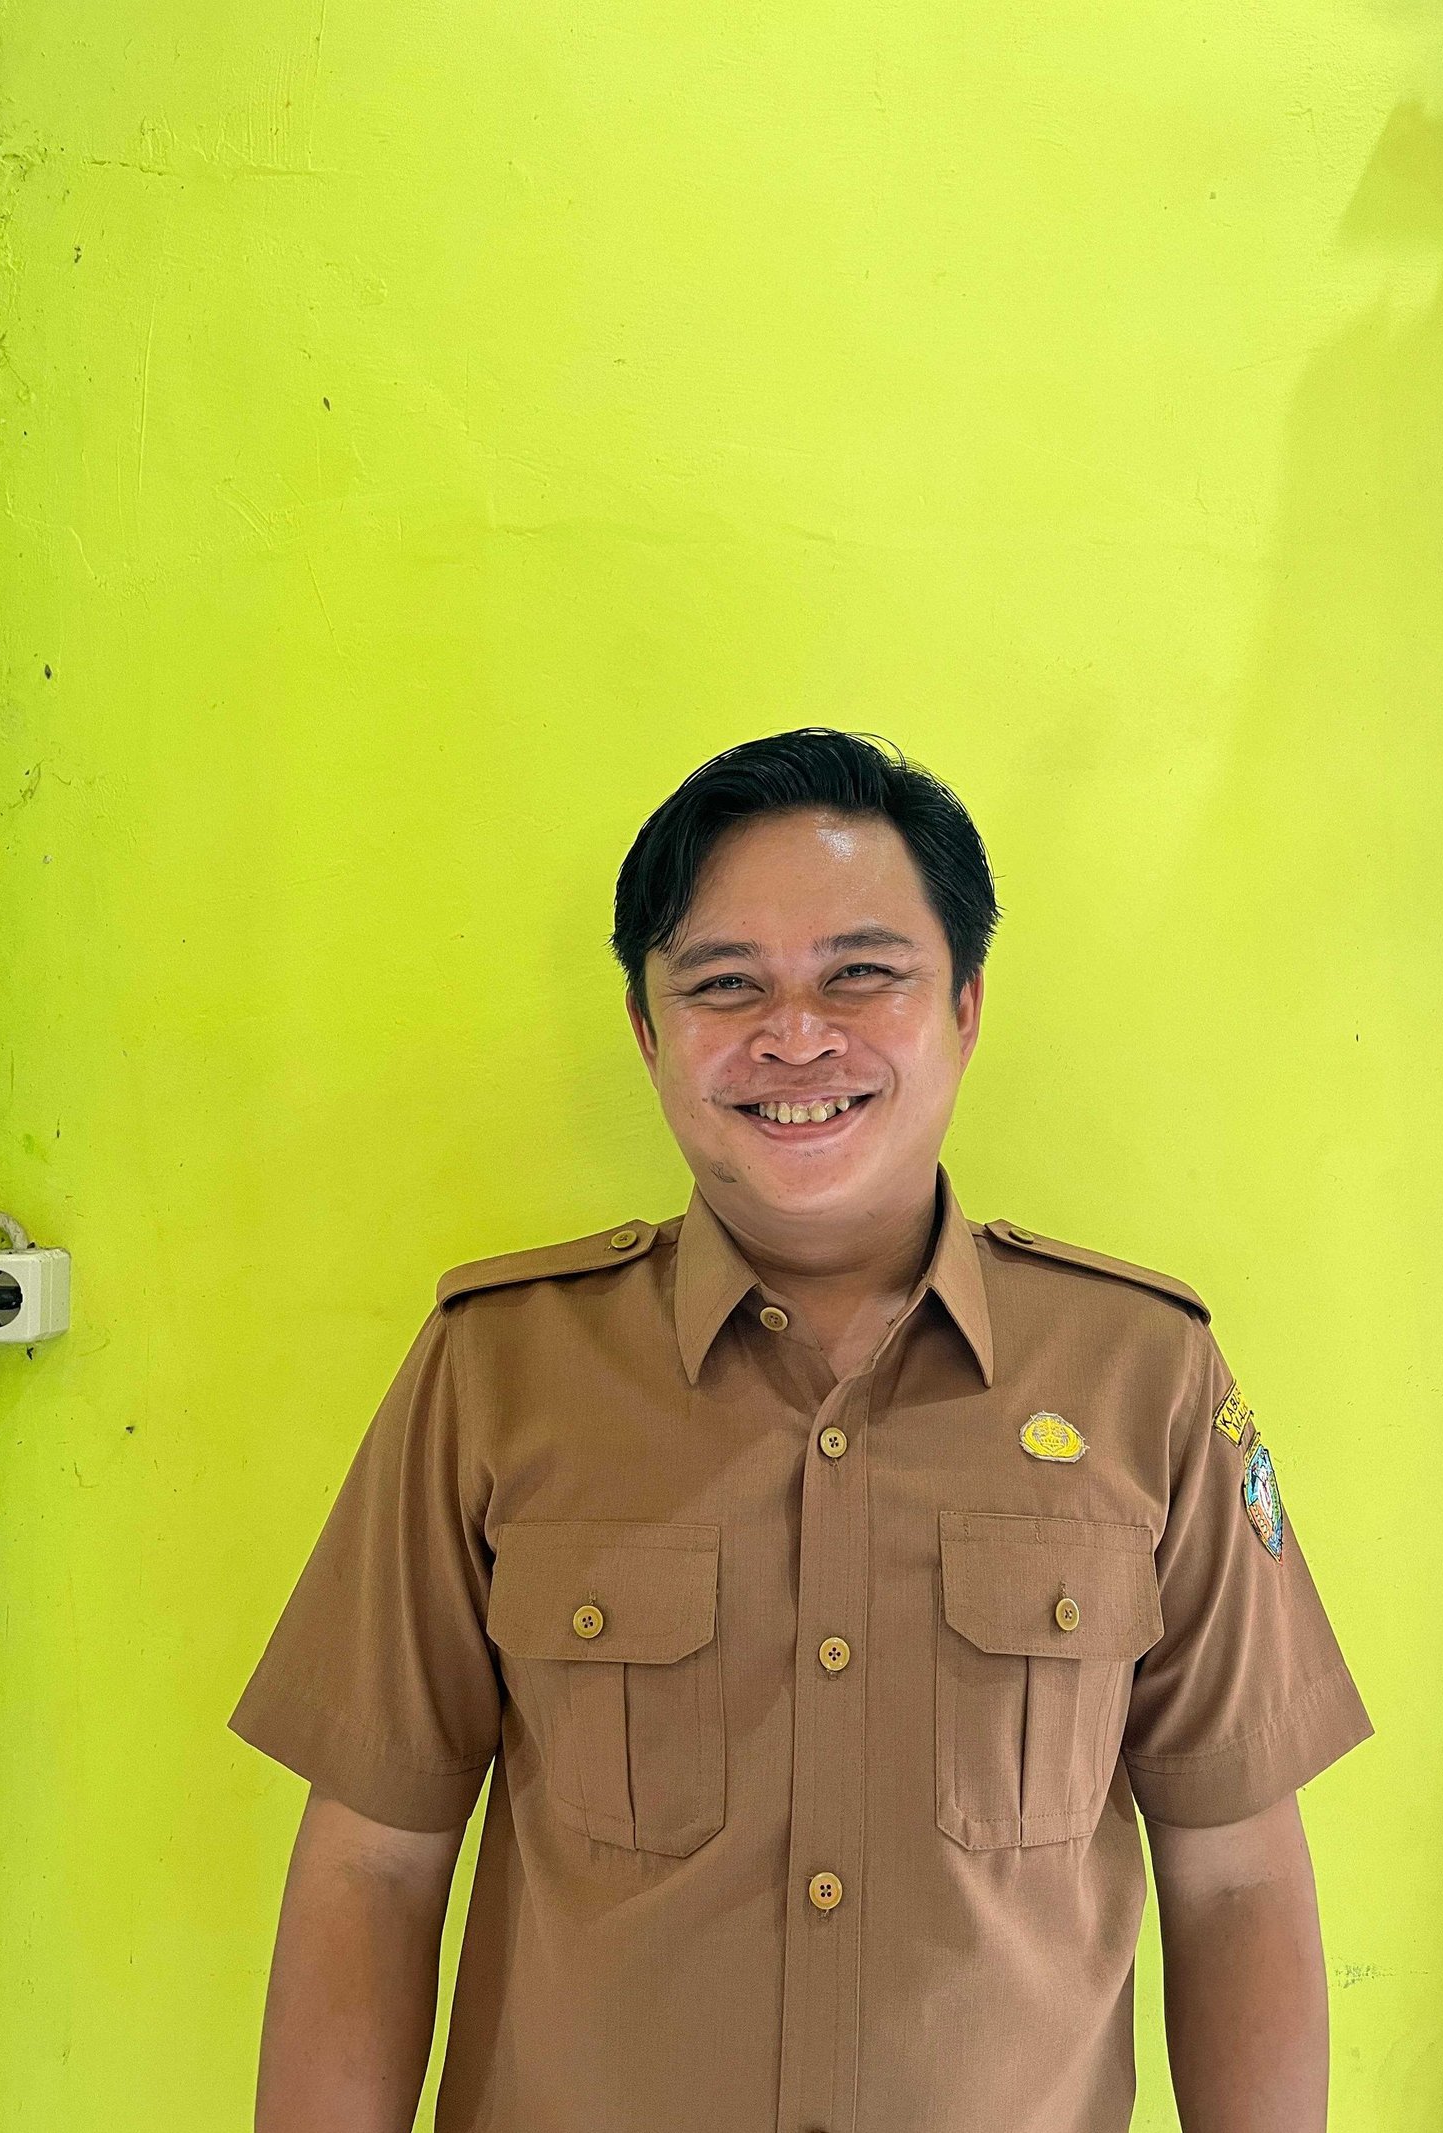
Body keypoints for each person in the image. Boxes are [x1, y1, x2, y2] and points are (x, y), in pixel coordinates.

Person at [228, 727, 1374, 2133]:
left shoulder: (1147, 1375)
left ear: (964, 1007)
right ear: (648, 1033)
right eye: (725, 984)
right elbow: (375, 1863)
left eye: (861, 974)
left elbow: (1237, 1873)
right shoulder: (499, 1371)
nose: (795, 1035)